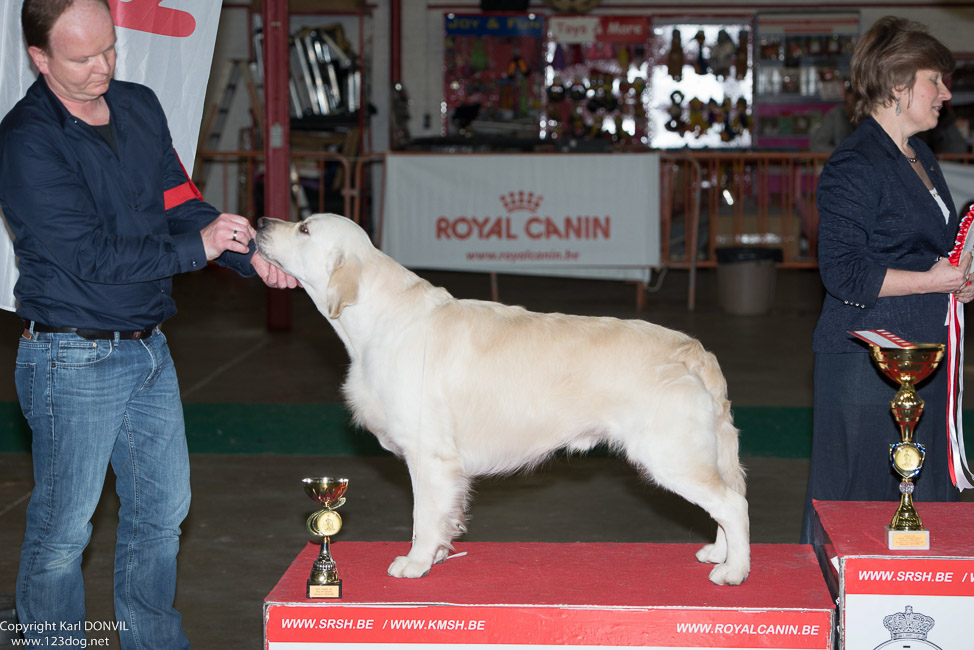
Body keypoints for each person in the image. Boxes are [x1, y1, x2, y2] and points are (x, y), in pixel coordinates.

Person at [0, 0, 297, 646]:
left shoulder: (138, 107)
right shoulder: (25, 142)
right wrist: (202, 248)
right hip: (69, 358)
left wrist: (254, 257)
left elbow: (180, 204)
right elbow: (91, 257)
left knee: (163, 516)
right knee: (62, 532)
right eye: (82, 58)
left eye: (109, 48)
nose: (103, 66)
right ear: (40, 59)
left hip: (148, 350)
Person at [801, 16, 974, 545]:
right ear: (898, 84)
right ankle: (838, 624)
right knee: (858, 511)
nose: (945, 93)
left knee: (921, 511)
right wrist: (933, 281)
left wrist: (958, 278)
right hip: (867, 365)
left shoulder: (920, 156)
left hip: (920, 361)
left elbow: (926, 253)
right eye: (934, 80)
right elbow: (844, 273)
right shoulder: (855, 163)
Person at [808, 81, 855, 153]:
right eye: (847, 103)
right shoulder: (835, 115)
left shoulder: (871, 118)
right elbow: (816, 146)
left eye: (854, 104)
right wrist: (842, 153)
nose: (850, 108)